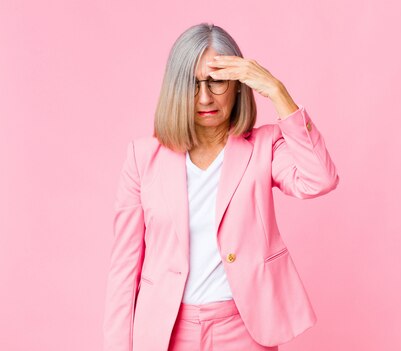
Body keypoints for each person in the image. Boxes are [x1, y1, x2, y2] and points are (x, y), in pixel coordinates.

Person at [102, 23, 339, 351]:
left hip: (243, 329)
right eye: (193, 84)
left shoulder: (264, 146)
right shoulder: (142, 158)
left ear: (238, 85)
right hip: (166, 332)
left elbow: (320, 179)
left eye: (217, 81)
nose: (204, 97)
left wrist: (276, 91)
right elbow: (124, 268)